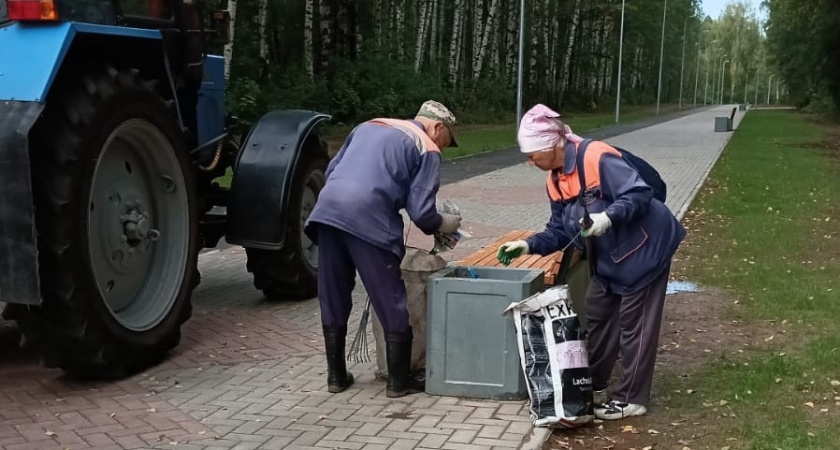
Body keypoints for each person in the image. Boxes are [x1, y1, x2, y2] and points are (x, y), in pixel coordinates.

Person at [499, 104, 686, 420]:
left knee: (635, 325)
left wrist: (607, 218)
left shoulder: (595, 157)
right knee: (598, 314)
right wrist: (527, 244)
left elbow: (638, 193)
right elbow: (559, 231)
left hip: (645, 247)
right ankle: (594, 386)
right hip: (609, 256)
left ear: (551, 145)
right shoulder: (556, 180)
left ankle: (631, 399)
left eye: (532, 155)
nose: (529, 162)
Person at [304, 100, 462, 398]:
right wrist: (446, 224)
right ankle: (398, 382)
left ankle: (336, 376)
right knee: (390, 299)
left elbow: (333, 169)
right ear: (438, 127)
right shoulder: (427, 146)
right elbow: (422, 212)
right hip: (370, 220)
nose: (445, 147)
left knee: (333, 292)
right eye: (448, 140)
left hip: (327, 212)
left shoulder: (370, 125)